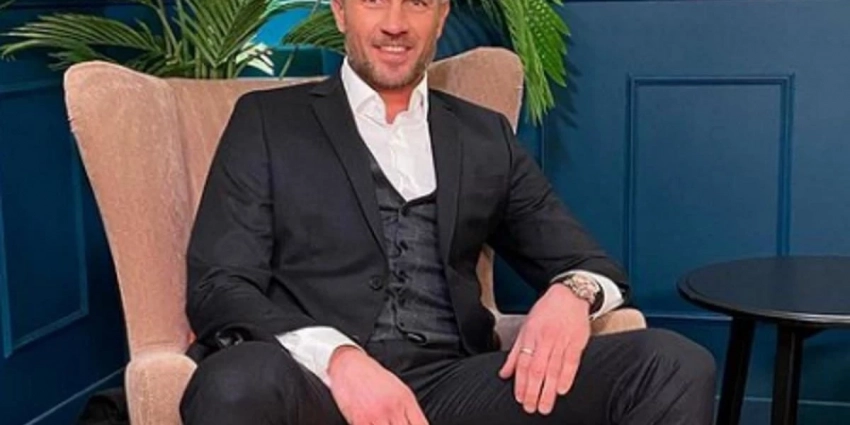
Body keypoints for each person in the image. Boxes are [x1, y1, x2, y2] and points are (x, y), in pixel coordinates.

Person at [179, 0, 716, 423]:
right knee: (234, 381)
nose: (395, 23)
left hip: (455, 387)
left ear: (441, 16)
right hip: (316, 386)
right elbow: (219, 286)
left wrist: (570, 295)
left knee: (672, 364)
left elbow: (592, 264)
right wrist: (340, 359)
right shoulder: (268, 121)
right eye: (373, 1)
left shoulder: (483, 135)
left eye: (417, 2)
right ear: (340, 11)